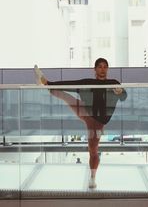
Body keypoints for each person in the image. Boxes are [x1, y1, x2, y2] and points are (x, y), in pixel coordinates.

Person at [34, 58, 127, 189]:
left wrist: (120, 91)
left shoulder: (113, 83)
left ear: (107, 69)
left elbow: (123, 97)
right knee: (66, 96)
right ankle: (45, 83)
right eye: (100, 66)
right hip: (85, 111)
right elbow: (69, 84)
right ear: (94, 69)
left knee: (93, 150)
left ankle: (93, 177)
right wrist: (50, 83)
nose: (102, 69)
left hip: (98, 122)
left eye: (105, 67)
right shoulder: (88, 83)